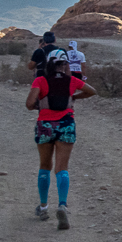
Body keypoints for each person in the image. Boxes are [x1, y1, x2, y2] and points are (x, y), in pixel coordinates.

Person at [25, 52, 96, 229]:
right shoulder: (71, 81)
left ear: (49, 63)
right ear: (65, 65)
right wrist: (74, 97)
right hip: (66, 124)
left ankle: (43, 207)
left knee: (45, 166)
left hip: (45, 125)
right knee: (61, 168)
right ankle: (62, 205)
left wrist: (40, 105)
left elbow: (29, 104)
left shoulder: (40, 80)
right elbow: (92, 91)